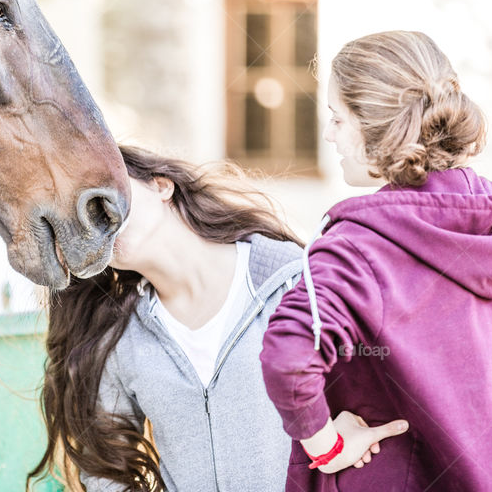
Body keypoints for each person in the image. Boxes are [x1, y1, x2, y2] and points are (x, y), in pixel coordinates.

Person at [260, 30, 492, 491]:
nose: (329, 135)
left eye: (337, 118)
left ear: (376, 127)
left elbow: (289, 356)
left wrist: (327, 446)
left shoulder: (357, 249)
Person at [28, 145, 406, 492]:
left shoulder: (295, 280)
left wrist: (337, 443)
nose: (97, 218)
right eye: (81, 221)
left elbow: (380, 383)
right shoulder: (121, 338)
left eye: (103, 194)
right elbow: (105, 466)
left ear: (162, 186)